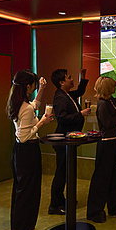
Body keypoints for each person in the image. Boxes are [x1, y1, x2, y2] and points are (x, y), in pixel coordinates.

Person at [6, 69, 54, 230]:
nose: (34, 87)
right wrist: (42, 122)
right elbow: (24, 136)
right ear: (27, 86)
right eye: (34, 84)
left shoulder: (19, 103)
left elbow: (34, 106)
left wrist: (42, 89)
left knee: (22, 193)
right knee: (28, 195)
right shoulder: (25, 108)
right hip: (27, 152)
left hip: (21, 153)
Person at [48, 68, 90, 215]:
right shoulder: (60, 98)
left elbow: (80, 91)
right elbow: (62, 119)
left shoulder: (67, 94)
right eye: (69, 77)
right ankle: (55, 205)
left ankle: (62, 200)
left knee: (65, 172)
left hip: (68, 141)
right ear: (61, 82)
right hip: (63, 141)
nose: (72, 80)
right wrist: (80, 114)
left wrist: (82, 77)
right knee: (61, 173)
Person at [86, 77, 116, 223]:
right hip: (107, 145)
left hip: (115, 142)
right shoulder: (103, 105)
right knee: (102, 179)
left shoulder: (110, 101)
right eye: (113, 86)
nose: (115, 88)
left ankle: (114, 205)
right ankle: (95, 210)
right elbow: (109, 124)